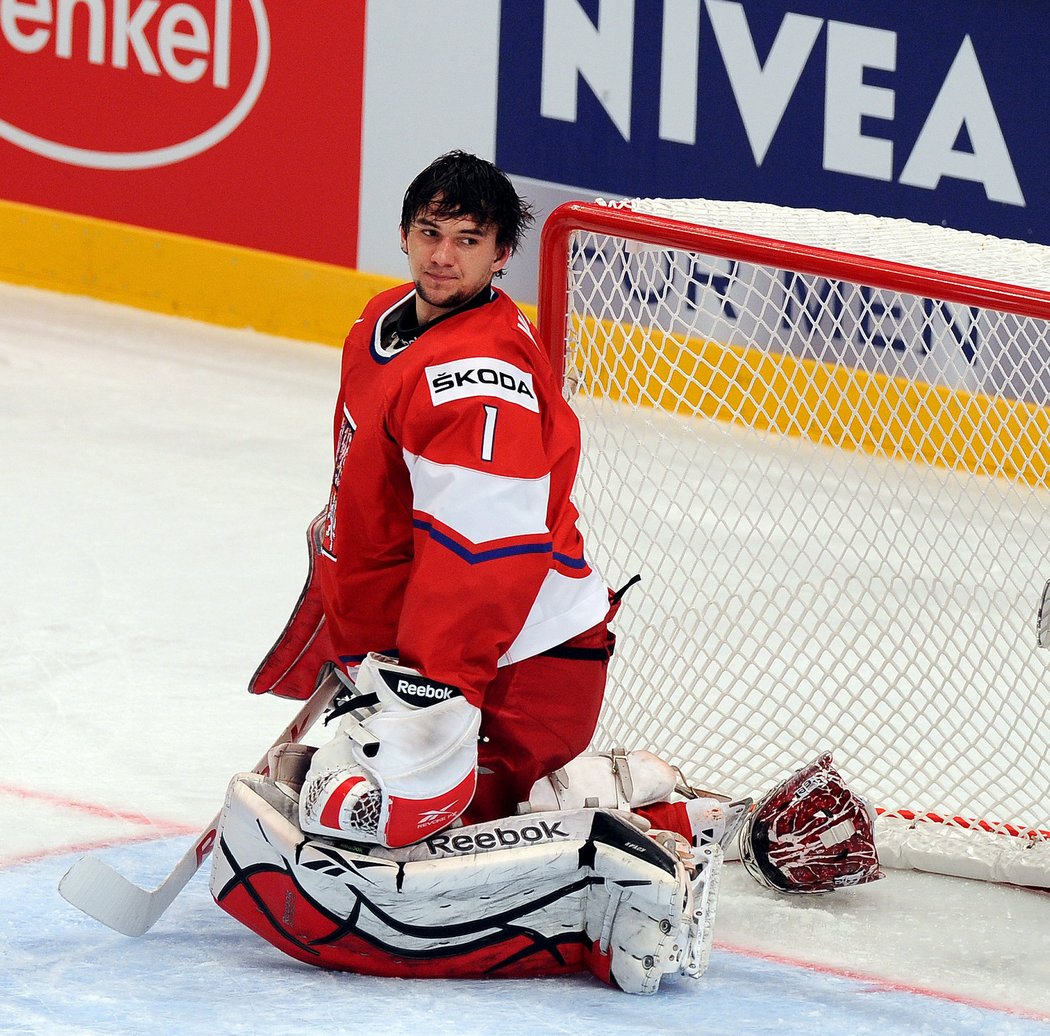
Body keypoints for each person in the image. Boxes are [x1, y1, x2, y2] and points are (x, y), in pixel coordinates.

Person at [249, 151, 615, 847]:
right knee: (334, 806)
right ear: (404, 235)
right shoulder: (381, 317)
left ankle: (638, 807)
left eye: (468, 241)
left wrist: (428, 694)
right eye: (430, 233)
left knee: (390, 828)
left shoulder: (481, 384)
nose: (443, 257)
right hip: (431, 649)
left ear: (503, 253)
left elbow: (479, 564)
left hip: (518, 668)